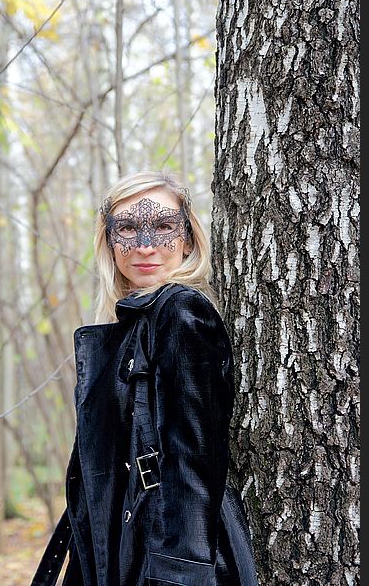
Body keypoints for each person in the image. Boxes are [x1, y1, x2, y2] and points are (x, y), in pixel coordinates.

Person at [31, 171, 258, 586]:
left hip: (171, 546)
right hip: (131, 537)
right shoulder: (137, 321)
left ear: (188, 238)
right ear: (109, 241)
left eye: (164, 226)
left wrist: (178, 573)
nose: (146, 245)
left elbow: (192, 458)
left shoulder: (182, 311)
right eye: (128, 229)